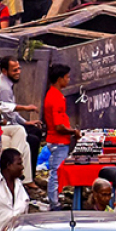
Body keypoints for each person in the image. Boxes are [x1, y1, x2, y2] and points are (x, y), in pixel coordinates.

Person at [43, 64, 79, 210]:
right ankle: (54, 203)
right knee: (56, 173)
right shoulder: (56, 97)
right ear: (60, 79)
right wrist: (73, 132)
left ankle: (54, 198)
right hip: (58, 141)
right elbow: (59, 126)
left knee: (55, 172)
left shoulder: (51, 94)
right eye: (67, 77)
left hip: (55, 140)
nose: (68, 80)